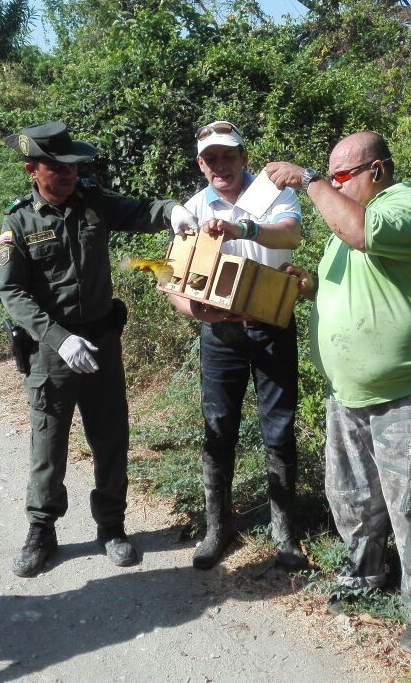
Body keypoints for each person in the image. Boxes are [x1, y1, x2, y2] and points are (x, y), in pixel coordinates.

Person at [266, 131, 411, 651]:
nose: (333, 184)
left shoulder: (404, 205)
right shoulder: (341, 229)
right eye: (329, 176)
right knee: (352, 498)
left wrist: (308, 181)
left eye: (341, 175)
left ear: (377, 171)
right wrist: (307, 285)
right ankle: (366, 574)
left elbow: (361, 235)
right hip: (348, 392)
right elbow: (343, 285)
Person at [0, 122, 198, 577]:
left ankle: (111, 526)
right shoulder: (19, 223)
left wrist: (172, 212)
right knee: (49, 443)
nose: (69, 175)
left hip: (103, 344)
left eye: (73, 167)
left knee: (110, 439)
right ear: (33, 170)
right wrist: (59, 339)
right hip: (54, 349)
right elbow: (13, 293)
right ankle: (41, 531)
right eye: (57, 168)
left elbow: (142, 210)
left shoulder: (94, 202)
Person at [166, 121, 307, 571]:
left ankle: (285, 533)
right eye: (211, 159)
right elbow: (173, 278)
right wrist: (194, 311)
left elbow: (290, 235)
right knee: (219, 426)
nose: (220, 166)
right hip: (221, 334)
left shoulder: (273, 193)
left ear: (243, 158)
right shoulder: (191, 208)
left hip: (271, 324)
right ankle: (217, 527)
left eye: (229, 156)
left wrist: (243, 227)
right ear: (201, 165)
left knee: (279, 428)